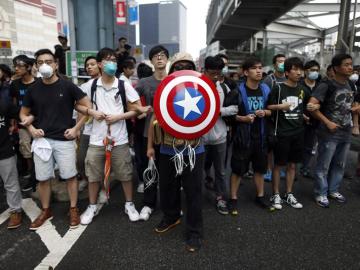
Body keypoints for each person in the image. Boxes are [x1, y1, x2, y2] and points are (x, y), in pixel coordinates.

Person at [20, 48, 92, 230]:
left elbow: (87, 106)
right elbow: (24, 113)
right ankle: (46, 210)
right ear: (35, 66)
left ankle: (73, 208)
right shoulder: (33, 89)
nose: (45, 65)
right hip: (42, 142)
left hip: (64, 140)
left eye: (49, 61)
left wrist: (76, 128)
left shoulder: (67, 86)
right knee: (43, 179)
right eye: (40, 62)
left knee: (70, 176)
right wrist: (31, 128)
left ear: (56, 64)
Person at [79, 48, 146, 224]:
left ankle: (129, 204)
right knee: (93, 175)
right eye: (108, 60)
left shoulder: (123, 85)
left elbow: (137, 109)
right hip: (96, 139)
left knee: (125, 173)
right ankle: (92, 206)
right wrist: (91, 112)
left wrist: (119, 116)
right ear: (100, 64)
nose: (112, 63)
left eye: (114, 60)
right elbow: (77, 105)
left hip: (120, 139)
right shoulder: (90, 86)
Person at [147, 52, 204, 252]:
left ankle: (195, 231)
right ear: (173, 69)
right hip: (167, 148)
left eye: (187, 65)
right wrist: (149, 147)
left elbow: (208, 116)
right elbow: (154, 118)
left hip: (194, 150)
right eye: (178, 66)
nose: (182, 69)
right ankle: (171, 217)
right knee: (168, 187)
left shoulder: (201, 89)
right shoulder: (165, 90)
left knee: (193, 192)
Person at [309, 54, 360, 208]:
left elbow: (354, 106)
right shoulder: (327, 85)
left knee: (340, 164)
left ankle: (333, 190)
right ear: (336, 68)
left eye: (351, 64)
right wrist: (328, 122)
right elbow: (312, 107)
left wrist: (355, 123)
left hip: (345, 130)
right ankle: (321, 193)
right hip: (328, 132)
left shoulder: (351, 85)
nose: (350, 67)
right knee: (323, 165)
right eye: (346, 64)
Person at [228, 57, 272, 215]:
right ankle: (233, 198)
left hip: (260, 137)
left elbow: (272, 110)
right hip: (243, 137)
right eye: (254, 68)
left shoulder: (266, 89)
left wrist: (265, 112)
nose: (259, 71)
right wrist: (243, 118)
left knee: (260, 169)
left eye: (260, 68)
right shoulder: (237, 91)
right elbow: (227, 115)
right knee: (238, 169)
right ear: (246, 72)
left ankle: (260, 196)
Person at [267, 57, 310, 210]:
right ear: (286, 72)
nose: (299, 73)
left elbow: (303, 107)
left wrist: (306, 112)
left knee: (293, 165)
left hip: (298, 132)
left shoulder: (303, 90)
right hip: (282, 133)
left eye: (301, 69)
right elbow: (268, 107)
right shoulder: (278, 88)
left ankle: (289, 193)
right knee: (279, 165)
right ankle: (276, 194)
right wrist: (281, 106)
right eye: (295, 69)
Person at [135, 45, 169, 221]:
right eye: (156, 56)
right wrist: (140, 109)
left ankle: (170, 206)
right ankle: (148, 204)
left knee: (170, 173)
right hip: (150, 134)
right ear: (152, 61)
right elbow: (129, 100)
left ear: (167, 59)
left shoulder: (174, 80)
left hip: (171, 135)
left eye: (163, 55)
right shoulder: (144, 82)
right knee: (151, 171)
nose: (160, 58)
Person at [202, 55, 238, 215]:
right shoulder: (195, 87)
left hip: (220, 137)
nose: (216, 77)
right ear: (204, 71)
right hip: (199, 139)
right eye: (212, 73)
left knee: (221, 171)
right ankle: (195, 198)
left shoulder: (224, 88)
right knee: (197, 170)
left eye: (219, 73)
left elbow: (235, 109)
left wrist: (217, 111)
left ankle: (221, 198)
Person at [10, 55, 38, 191]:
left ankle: (40, 176)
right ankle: (32, 176)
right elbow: (14, 105)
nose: (16, 68)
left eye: (20, 66)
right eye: (15, 66)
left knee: (40, 150)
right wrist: (13, 123)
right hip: (22, 124)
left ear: (28, 67)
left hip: (39, 122)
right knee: (26, 150)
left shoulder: (39, 82)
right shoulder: (14, 84)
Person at [77, 56, 101, 192]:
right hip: (87, 129)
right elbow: (79, 110)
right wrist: (78, 129)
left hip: (102, 129)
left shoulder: (108, 83)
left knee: (100, 162)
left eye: (92, 64)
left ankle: (103, 188)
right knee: (80, 160)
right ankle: (87, 179)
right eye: (87, 65)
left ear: (99, 65)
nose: (89, 67)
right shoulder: (84, 87)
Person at [263, 54, 287, 181]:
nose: (282, 63)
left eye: (284, 61)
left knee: (282, 145)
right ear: (274, 64)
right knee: (271, 145)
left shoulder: (289, 78)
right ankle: (268, 169)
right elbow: (265, 100)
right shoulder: (269, 80)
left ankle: (279, 168)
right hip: (272, 118)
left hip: (285, 119)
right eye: (280, 61)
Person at [300, 60, 321, 178]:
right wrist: (303, 115)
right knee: (297, 145)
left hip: (314, 122)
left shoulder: (320, 86)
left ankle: (305, 168)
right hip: (299, 120)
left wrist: (318, 106)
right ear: (305, 71)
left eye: (317, 70)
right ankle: (292, 168)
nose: (315, 73)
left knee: (309, 146)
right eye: (312, 70)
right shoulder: (300, 85)